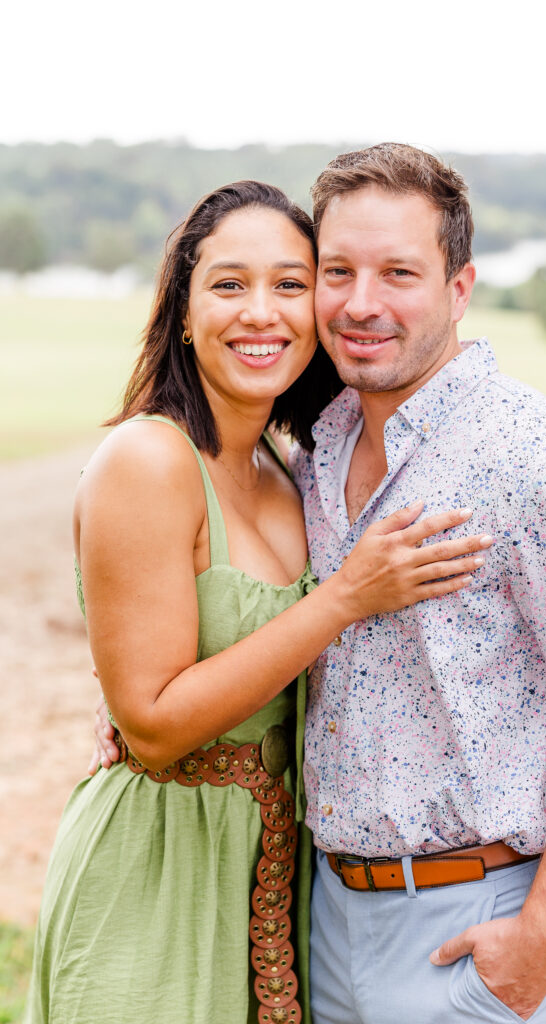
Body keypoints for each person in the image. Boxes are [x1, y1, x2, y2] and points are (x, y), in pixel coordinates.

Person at [25, 179, 492, 1024]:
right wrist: (344, 598)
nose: (261, 313)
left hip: (274, 877)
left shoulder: (290, 470)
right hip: (159, 866)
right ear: (182, 309)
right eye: (229, 284)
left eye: (289, 283)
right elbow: (155, 724)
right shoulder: (148, 461)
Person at [291, 144, 546, 1024]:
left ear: (459, 288)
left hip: (476, 922)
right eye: (336, 271)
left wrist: (544, 933)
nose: (360, 303)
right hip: (330, 914)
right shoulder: (319, 448)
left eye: (398, 273)